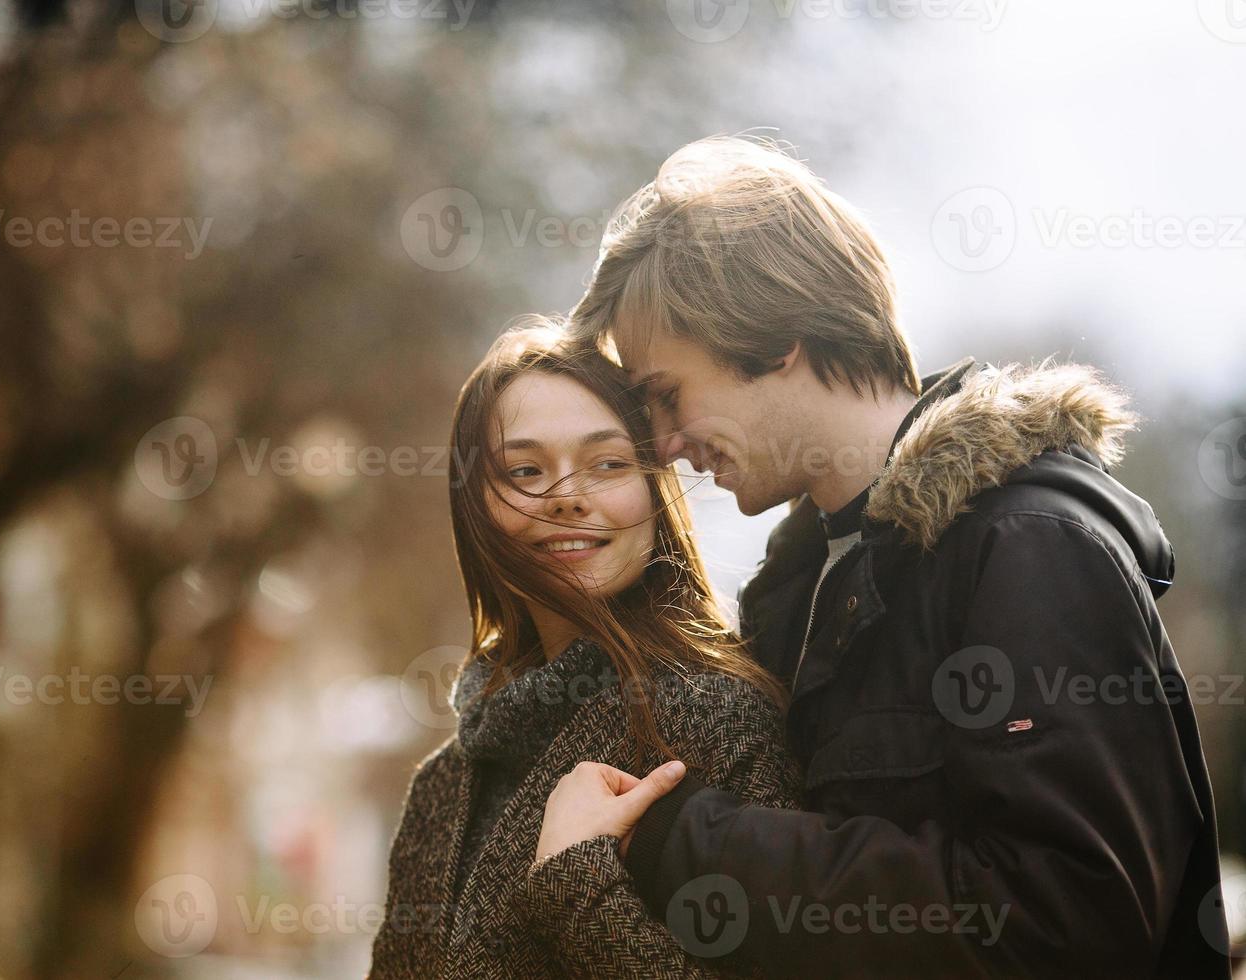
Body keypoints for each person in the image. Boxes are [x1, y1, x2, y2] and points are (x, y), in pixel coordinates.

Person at [537, 135, 1230, 979]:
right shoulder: (791, 600)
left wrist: (684, 843)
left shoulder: (1028, 548)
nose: (668, 444)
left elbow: (1068, 925)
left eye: (666, 395)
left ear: (773, 335)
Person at [368, 318, 802, 978]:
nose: (567, 497)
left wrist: (577, 886)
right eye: (524, 469)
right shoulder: (442, 785)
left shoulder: (721, 721)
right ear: (476, 507)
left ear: (654, 492)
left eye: (607, 464)